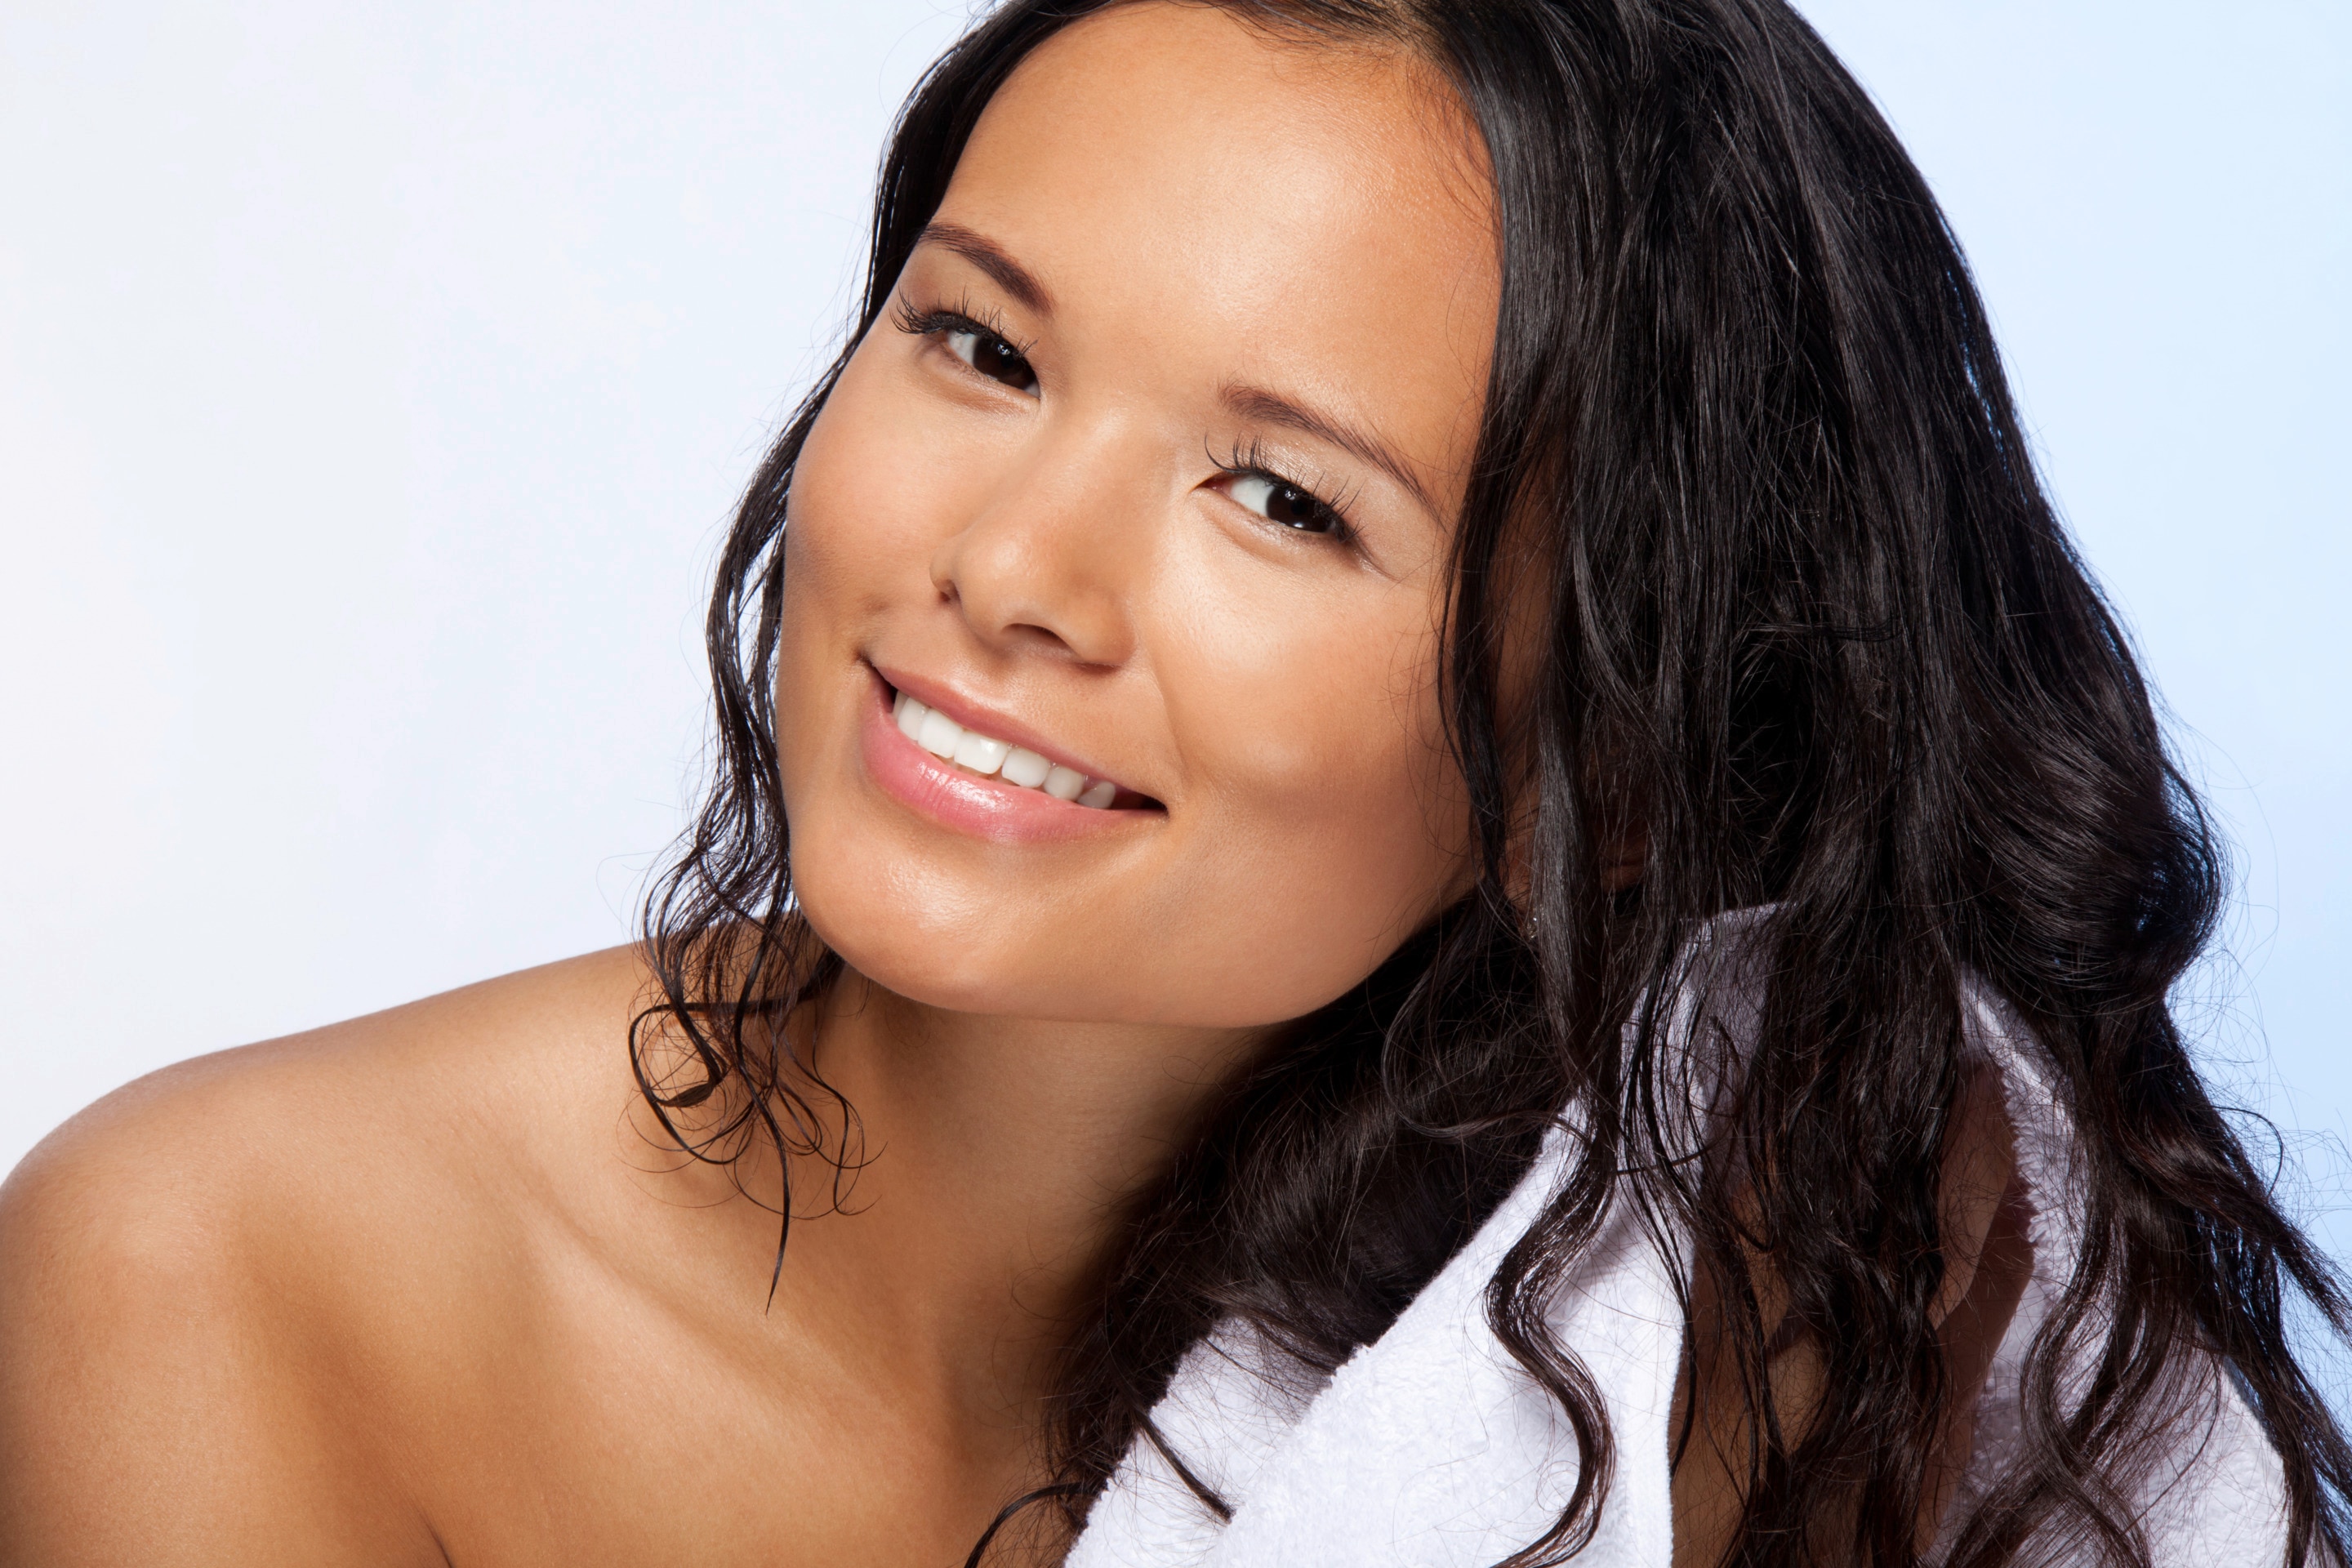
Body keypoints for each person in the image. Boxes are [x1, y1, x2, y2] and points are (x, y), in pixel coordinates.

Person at [2, 2, 2345, 1564]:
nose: (1009, 568)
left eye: (1283, 500)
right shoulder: (224, 1275)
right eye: (981, 342)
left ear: (1609, 757)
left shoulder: (1722, 1287)